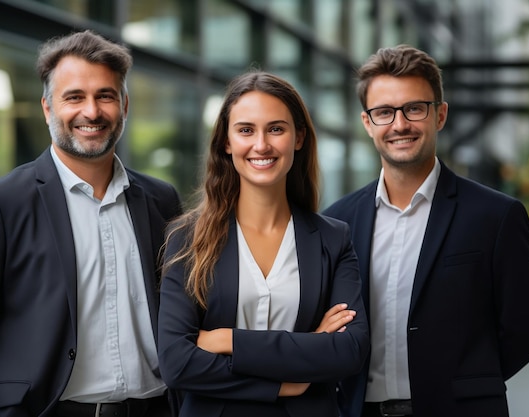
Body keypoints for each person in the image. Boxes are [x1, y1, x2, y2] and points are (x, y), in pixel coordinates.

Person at [0, 30, 182, 417]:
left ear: (125, 105)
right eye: (74, 97)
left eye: (105, 95)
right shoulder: (0, 203)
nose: (92, 111)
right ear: (48, 108)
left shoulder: (161, 200)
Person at [323, 44, 529, 417]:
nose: (399, 124)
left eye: (414, 108)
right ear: (367, 123)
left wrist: (466, 386)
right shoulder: (336, 221)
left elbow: (525, 330)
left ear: (439, 115)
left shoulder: (496, 216)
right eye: (384, 112)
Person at [156, 71, 370, 417]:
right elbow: (176, 362)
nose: (261, 145)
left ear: (298, 137)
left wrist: (229, 340)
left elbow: (350, 350)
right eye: (245, 130)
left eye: (276, 129)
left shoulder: (333, 239)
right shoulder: (188, 238)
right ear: (226, 142)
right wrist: (292, 374)